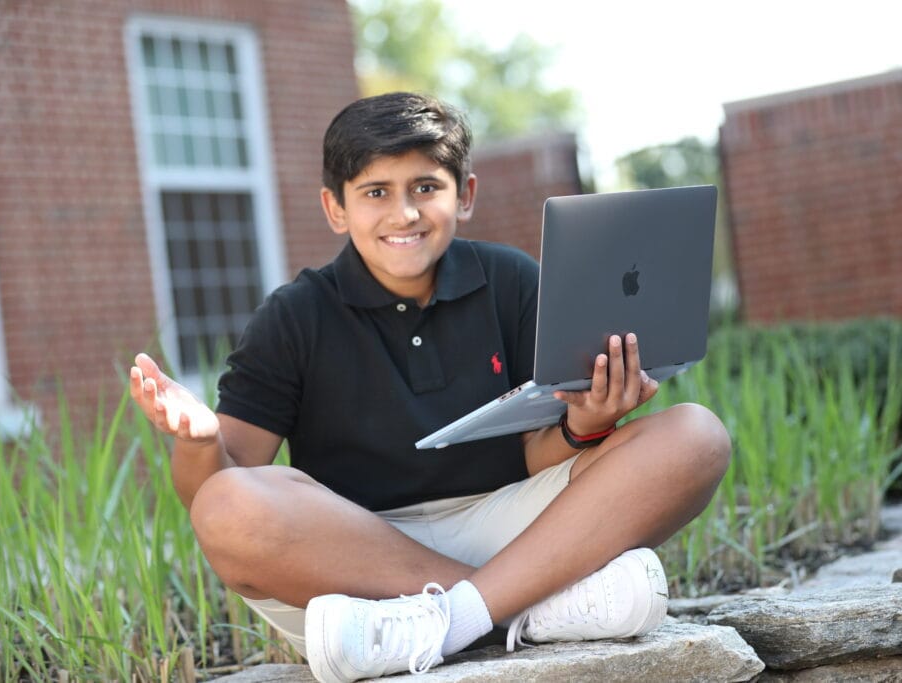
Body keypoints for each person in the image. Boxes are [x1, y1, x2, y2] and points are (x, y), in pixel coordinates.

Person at [129, 91, 731, 683]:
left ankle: (459, 617)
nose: (405, 213)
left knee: (696, 435)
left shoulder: (511, 281)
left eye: (425, 187)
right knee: (227, 505)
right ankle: (527, 608)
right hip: (357, 557)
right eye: (375, 192)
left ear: (464, 194)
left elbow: (536, 454)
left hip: (513, 527)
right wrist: (200, 441)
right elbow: (212, 491)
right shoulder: (293, 317)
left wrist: (588, 424)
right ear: (335, 208)